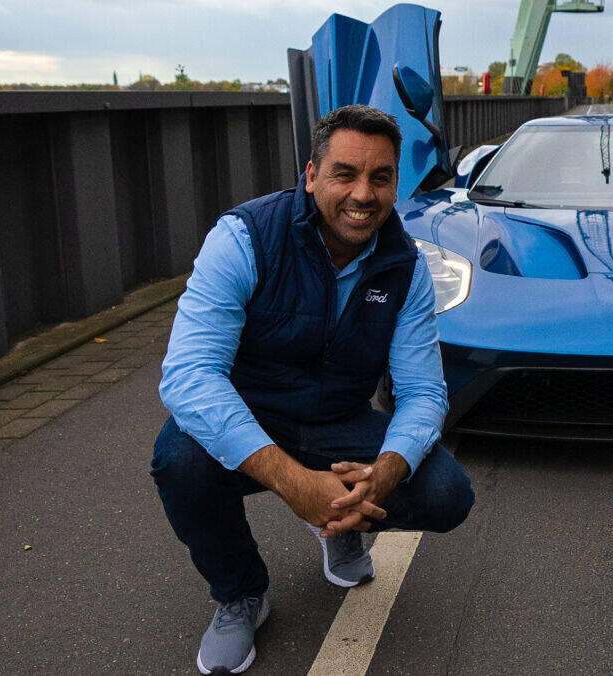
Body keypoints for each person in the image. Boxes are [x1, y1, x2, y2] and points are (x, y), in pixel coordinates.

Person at [151, 104, 474, 674]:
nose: (363, 194)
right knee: (179, 459)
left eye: (381, 177)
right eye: (345, 173)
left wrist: (386, 471)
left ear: (397, 181)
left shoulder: (407, 266)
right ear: (311, 175)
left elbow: (423, 391)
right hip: (253, 413)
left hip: (339, 423)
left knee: (446, 493)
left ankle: (339, 522)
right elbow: (189, 374)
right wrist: (294, 482)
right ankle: (240, 595)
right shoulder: (244, 238)